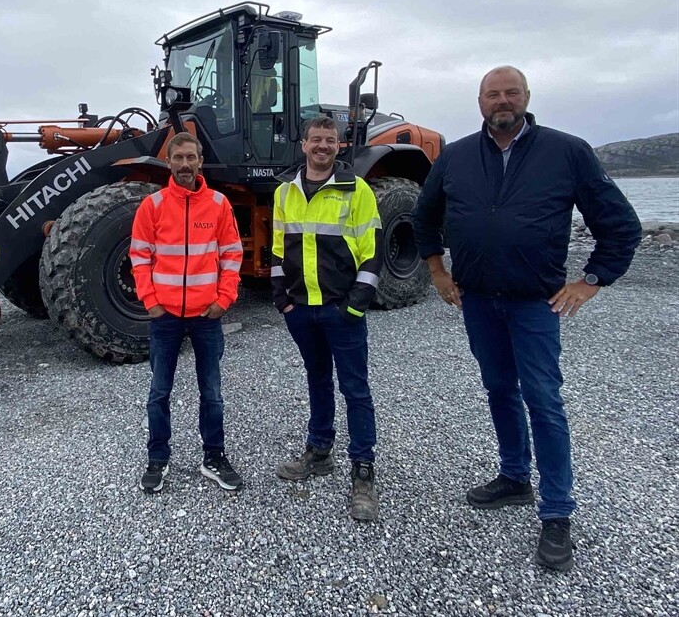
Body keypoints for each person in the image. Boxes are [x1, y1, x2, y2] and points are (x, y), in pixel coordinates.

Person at [412, 66, 641, 571]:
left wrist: (591, 281)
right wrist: (437, 272)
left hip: (535, 303)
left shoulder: (567, 151)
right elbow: (423, 217)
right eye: (492, 94)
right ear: (479, 102)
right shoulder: (455, 157)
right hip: (477, 301)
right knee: (498, 388)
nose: (502, 101)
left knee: (543, 399)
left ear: (527, 97)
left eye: (510, 92)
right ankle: (515, 476)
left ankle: (557, 512)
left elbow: (621, 226)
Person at [272, 116, 383, 521]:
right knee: (317, 381)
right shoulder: (285, 192)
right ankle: (319, 451)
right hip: (302, 311)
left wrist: (355, 304)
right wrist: (282, 300)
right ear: (303, 145)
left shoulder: (358, 190)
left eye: (329, 140)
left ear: (339, 146)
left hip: (341, 310)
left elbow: (373, 252)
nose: (322, 146)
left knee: (355, 389)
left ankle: (363, 470)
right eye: (315, 139)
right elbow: (278, 247)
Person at [130, 132, 245, 494]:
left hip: (206, 317)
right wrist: (151, 302)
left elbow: (231, 255)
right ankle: (158, 459)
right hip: (165, 317)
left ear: (199, 161)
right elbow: (139, 257)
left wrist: (224, 300)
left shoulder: (219, 204)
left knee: (211, 392)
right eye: (177, 157)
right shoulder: (153, 205)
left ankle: (213, 457)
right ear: (169, 162)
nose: (184, 164)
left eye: (190, 157)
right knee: (158, 392)